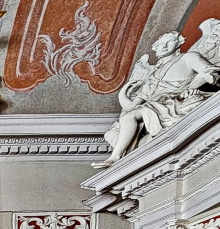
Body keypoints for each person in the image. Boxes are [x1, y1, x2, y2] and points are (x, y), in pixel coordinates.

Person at [92, 31, 220, 168]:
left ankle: (115, 157)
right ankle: (131, 154)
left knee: (127, 119)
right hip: (153, 107)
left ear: (178, 43)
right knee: (110, 134)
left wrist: (192, 87)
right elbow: (132, 106)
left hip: (175, 101)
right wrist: (123, 92)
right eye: (160, 44)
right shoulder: (152, 76)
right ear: (155, 49)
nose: (164, 46)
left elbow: (210, 71)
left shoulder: (188, 58)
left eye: (169, 42)